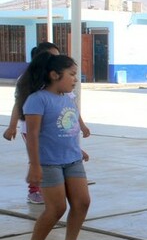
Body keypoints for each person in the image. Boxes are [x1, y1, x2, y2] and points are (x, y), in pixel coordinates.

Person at [19, 53, 91, 240]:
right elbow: (32, 134)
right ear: (54, 75)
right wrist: (34, 165)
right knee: (57, 208)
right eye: (71, 74)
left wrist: (78, 149)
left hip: (73, 159)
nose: (75, 79)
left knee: (82, 202)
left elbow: (68, 128)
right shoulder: (37, 100)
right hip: (48, 163)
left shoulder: (68, 98)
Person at [3, 42, 91, 204]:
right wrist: (11, 126)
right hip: (31, 127)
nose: (56, 59)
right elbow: (19, 103)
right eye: (53, 57)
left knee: (55, 148)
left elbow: (71, 111)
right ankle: (35, 189)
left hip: (57, 128)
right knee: (39, 156)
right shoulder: (32, 82)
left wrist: (81, 130)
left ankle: (60, 182)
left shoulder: (63, 89)